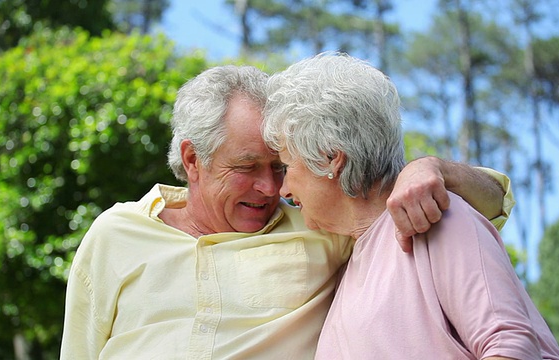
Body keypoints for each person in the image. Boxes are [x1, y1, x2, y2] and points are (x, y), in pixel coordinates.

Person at [60, 64, 513, 359]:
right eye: (246, 167)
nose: (271, 186)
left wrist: (432, 168)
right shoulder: (115, 235)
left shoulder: (321, 221)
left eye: (279, 166)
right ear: (193, 159)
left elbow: (487, 205)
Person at [261, 52, 559, 359]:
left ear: (330, 157)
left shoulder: (435, 218)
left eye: (286, 166)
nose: (283, 190)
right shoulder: (348, 261)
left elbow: (511, 347)